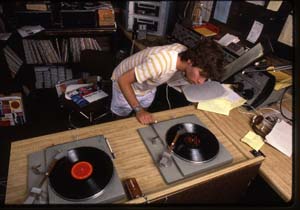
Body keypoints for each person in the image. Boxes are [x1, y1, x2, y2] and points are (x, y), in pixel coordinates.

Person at [110, 39, 225, 125]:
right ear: (190, 61)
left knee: (142, 118)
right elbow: (123, 80)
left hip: (147, 86)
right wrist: (138, 110)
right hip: (125, 85)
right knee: (122, 122)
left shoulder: (184, 54)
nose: (201, 82)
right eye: (201, 75)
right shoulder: (159, 64)